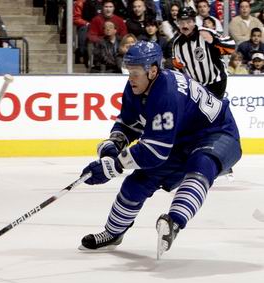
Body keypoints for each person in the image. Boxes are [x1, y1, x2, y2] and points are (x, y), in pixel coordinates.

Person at [79, 41, 241, 259]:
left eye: (135, 73)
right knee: (138, 181)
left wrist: (114, 167)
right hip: (179, 139)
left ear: (153, 70)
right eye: (129, 72)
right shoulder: (138, 85)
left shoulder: (167, 93)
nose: (130, 78)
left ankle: (174, 222)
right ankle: (112, 233)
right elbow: (129, 123)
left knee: (200, 165)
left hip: (218, 133)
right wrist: (114, 144)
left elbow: (154, 151)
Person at [171, 6, 235, 99]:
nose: (185, 26)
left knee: (213, 112)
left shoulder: (206, 33)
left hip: (216, 82)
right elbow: (178, 67)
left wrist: (214, 41)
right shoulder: (177, 44)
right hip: (196, 87)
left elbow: (231, 47)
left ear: (194, 21)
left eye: (188, 22)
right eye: (181, 22)